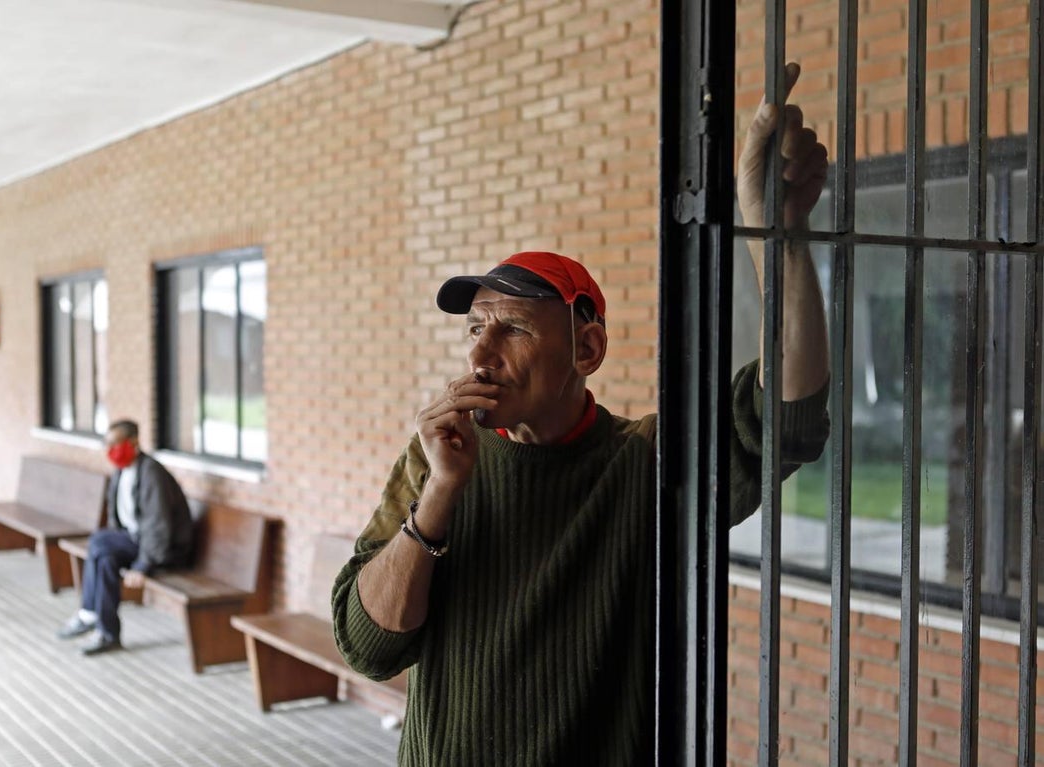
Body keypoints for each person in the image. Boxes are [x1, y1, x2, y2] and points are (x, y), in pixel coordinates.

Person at [332, 62, 830, 765]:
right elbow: (368, 645)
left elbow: (790, 414)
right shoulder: (436, 455)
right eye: (475, 328)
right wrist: (439, 496)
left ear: (586, 347)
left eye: (512, 327)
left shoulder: (642, 460)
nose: (482, 352)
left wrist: (777, 234)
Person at [56, 419, 194, 656]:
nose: (111, 451)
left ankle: (88, 614)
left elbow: (158, 525)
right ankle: (108, 634)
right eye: (107, 445)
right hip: (136, 541)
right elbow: (117, 517)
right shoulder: (121, 472)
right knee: (106, 558)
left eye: (116, 444)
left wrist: (143, 565)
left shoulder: (151, 473)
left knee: (99, 542)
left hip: (166, 549)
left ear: (134, 442)